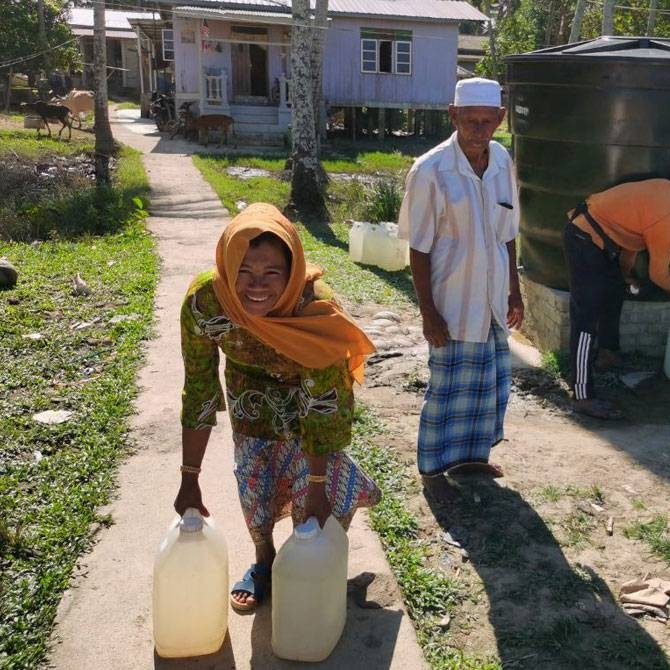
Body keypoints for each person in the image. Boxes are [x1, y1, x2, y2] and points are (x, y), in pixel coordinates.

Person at [172, 203, 381, 611]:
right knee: (254, 485)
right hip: (249, 400)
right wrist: (189, 477)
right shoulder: (206, 304)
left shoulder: (313, 309)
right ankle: (264, 562)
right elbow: (198, 390)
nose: (256, 286)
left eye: (272, 273)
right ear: (228, 266)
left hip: (307, 401)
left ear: (292, 273)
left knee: (316, 500)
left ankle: (307, 564)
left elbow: (324, 403)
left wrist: (318, 485)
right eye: (244, 271)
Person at [398, 78, 523, 503]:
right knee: (447, 387)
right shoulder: (430, 171)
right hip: (451, 301)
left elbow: (509, 232)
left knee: (489, 383)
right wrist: (427, 311)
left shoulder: (502, 161)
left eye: (488, 121)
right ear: (453, 116)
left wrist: (515, 291)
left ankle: (473, 457)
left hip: (490, 297)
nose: (479, 129)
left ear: (500, 120)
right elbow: (418, 247)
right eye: (471, 120)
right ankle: (432, 468)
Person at [563, 179, 670, 419]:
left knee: (615, 292)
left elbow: (633, 237)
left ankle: (607, 353)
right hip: (583, 238)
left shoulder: (667, 190)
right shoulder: (668, 223)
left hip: (600, 238)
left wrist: (624, 274)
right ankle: (582, 394)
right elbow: (658, 274)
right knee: (586, 318)